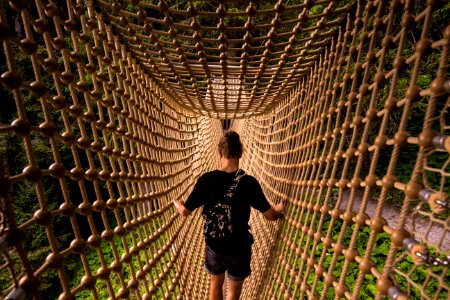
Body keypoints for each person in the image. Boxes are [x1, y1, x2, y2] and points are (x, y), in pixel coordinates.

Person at [173, 130, 284, 300]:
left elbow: (184, 212)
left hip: (215, 244)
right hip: (240, 246)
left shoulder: (206, 180)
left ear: (220, 153)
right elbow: (270, 216)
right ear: (240, 153)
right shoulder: (249, 182)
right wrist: (278, 208)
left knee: (216, 284)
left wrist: (177, 203)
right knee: (233, 292)